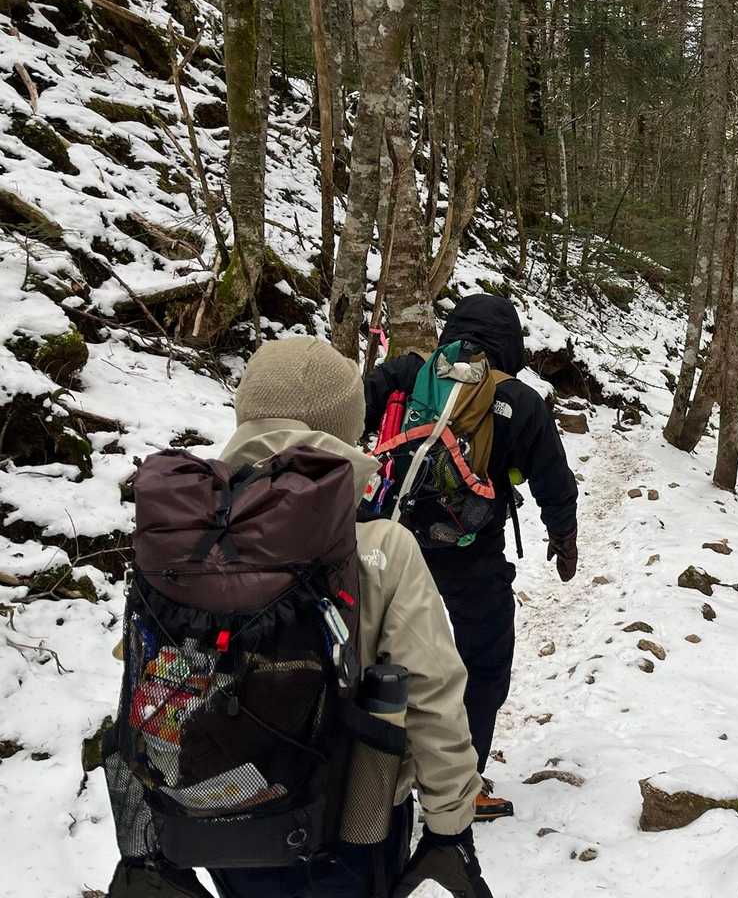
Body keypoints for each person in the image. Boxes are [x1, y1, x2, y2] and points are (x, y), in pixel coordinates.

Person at [209, 338, 492, 898]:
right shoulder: (379, 544)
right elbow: (432, 694)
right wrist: (450, 826)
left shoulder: (190, 529)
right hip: (353, 817)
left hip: (218, 805)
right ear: (343, 429)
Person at [364, 294, 579, 821]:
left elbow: (343, 415)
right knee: (483, 662)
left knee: (375, 653)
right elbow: (554, 480)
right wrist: (563, 537)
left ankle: (367, 777)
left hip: (387, 538)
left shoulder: (408, 372)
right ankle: (462, 786)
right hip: (469, 550)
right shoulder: (519, 401)